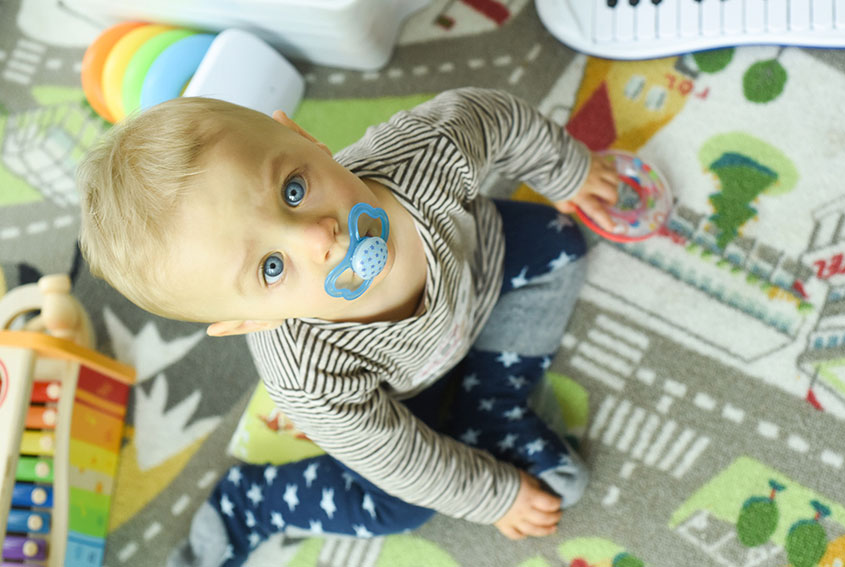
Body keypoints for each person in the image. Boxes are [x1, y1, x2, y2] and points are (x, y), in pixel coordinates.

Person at [77, 87, 619, 566]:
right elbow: (400, 457)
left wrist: (566, 168)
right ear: (248, 321)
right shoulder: (307, 374)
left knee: (561, 244)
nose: (318, 238)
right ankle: (254, 500)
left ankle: (492, 406)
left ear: (304, 138)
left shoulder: (419, 157)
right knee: (401, 504)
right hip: (404, 393)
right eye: (271, 268)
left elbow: (493, 115)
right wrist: (492, 493)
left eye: (293, 189)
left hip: (476, 266)